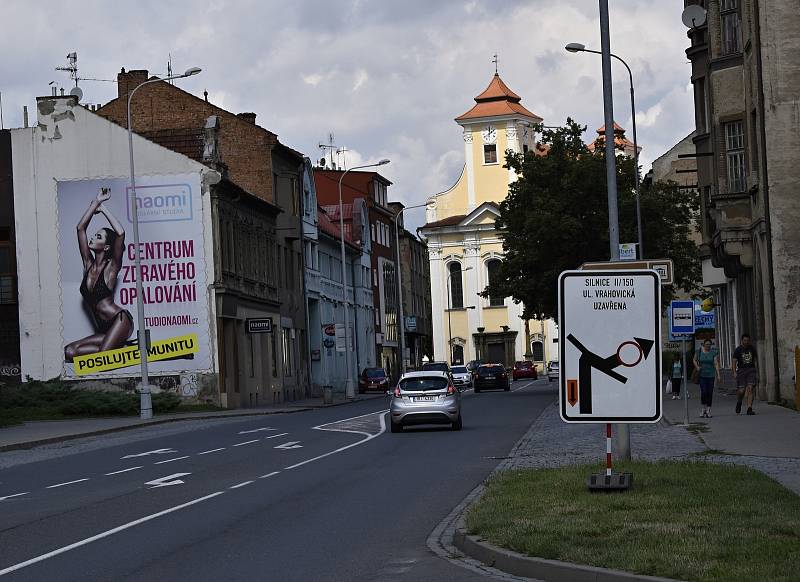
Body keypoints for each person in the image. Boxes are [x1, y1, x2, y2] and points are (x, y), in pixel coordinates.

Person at [64, 188, 133, 362]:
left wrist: (103, 209)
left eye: (98, 236)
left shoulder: (112, 267)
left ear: (107, 247)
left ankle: (116, 344)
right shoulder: (87, 264)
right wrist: (96, 202)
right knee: (70, 352)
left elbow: (120, 233)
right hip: (104, 329)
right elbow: (80, 228)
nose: (93, 238)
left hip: (120, 321)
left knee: (102, 357)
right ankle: (118, 345)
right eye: (94, 235)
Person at [693, 340, 720, 418]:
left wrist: (718, 375)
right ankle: (703, 408)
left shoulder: (713, 352)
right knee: (704, 392)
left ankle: (708, 410)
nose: (708, 346)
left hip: (711, 375)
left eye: (709, 344)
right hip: (702, 375)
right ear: (703, 344)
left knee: (709, 392)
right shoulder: (699, 351)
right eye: (707, 344)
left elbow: (716, 363)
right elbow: (694, 359)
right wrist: (697, 367)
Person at [732, 333, 758, 415]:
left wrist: (757, 371)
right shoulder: (738, 350)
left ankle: (749, 408)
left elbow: (756, 360)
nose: (746, 342)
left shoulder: (752, 349)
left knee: (750, 388)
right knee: (741, 391)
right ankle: (739, 402)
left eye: (747, 340)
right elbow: (734, 362)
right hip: (741, 371)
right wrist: (734, 372)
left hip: (751, 370)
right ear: (742, 340)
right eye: (744, 340)